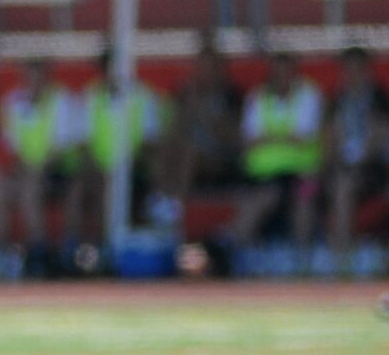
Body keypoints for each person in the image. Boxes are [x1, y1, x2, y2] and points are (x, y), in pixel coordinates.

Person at [73, 47, 167, 265]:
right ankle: (77, 250)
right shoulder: (91, 96)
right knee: (80, 189)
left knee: (120, 186)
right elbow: (82, 144)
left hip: (136, 169)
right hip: (99, 170)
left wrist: (126, 167)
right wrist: (99, 168)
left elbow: (151, 142)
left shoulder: (142, 95)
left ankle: (114, 250)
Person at [0, 55, 80, 277]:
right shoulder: (12, 103)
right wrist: (23, 171)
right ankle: (0, 254)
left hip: (59, 172)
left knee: (30, 188)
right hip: (26, 171)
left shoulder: (61, 100)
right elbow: (12, 149)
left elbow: (59, 151)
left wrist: (33, 172)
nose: (34, 83)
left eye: (39, 77)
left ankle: (39, 251)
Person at [230, 50, 322, 255]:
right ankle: (241, 262)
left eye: (287, 71)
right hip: (262, 175)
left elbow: (304, 137)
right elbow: (248, 140)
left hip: (301, 173)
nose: (282, 76)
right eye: (278, 71)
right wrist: (285, 136)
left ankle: (303, 261)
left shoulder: (308, 95)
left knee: (304, 202)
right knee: (254, 205)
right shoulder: (258, 97)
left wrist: (268, 137)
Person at [160, 36, 242, 236]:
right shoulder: (184, 95)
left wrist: (203, 111)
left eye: (210, 68)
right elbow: (174, 132)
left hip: (221, 159)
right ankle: (158, 203)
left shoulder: (232, 96)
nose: (204, 73)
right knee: (166, 151)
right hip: (187, 155)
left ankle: (172, 221)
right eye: (200, 67)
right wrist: (186, 110)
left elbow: (232, 139)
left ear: (220, 70)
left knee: (190, 155)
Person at [323, 45, 389, 262]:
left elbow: (379, 139)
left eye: (357, 69)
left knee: (344, 187)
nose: (352, 75)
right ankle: (304, 256)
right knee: (306, 191)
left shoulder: (379, 99)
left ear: (367, 71)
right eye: (347, 70)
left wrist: (359, 160)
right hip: (343, 168)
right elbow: (330, 140)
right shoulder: (337, 101)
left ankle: (342, 255)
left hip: (374, 169)